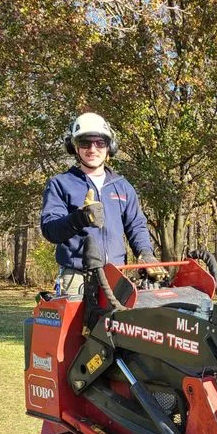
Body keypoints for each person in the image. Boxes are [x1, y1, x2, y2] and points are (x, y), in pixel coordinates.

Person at [40, 112, 162, 296]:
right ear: (74, 147)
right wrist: (79, 218)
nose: (92, 149)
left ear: (110, 146)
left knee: (120, 324)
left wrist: (146, 253)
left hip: (117, 275)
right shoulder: (60, 183)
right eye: (85, 143)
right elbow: (50, 230)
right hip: (77, 277)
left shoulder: (122, 186)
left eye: (100, 142)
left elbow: (136, 226)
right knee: (77, 325)